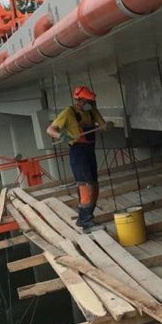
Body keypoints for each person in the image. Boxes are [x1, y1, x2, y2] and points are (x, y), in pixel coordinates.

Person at [46, 86, 112, 232]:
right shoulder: (69, 112)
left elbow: (103, 126)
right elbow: (50, 130)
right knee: (85, 186)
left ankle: (85, 217)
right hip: (78, 152)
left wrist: (99, 115)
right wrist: (61, 136)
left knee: (94, 185)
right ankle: (86, 221)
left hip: (89, 151)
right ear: (80, 100)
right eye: (89, 100)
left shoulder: (90, 111)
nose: (91, 102)